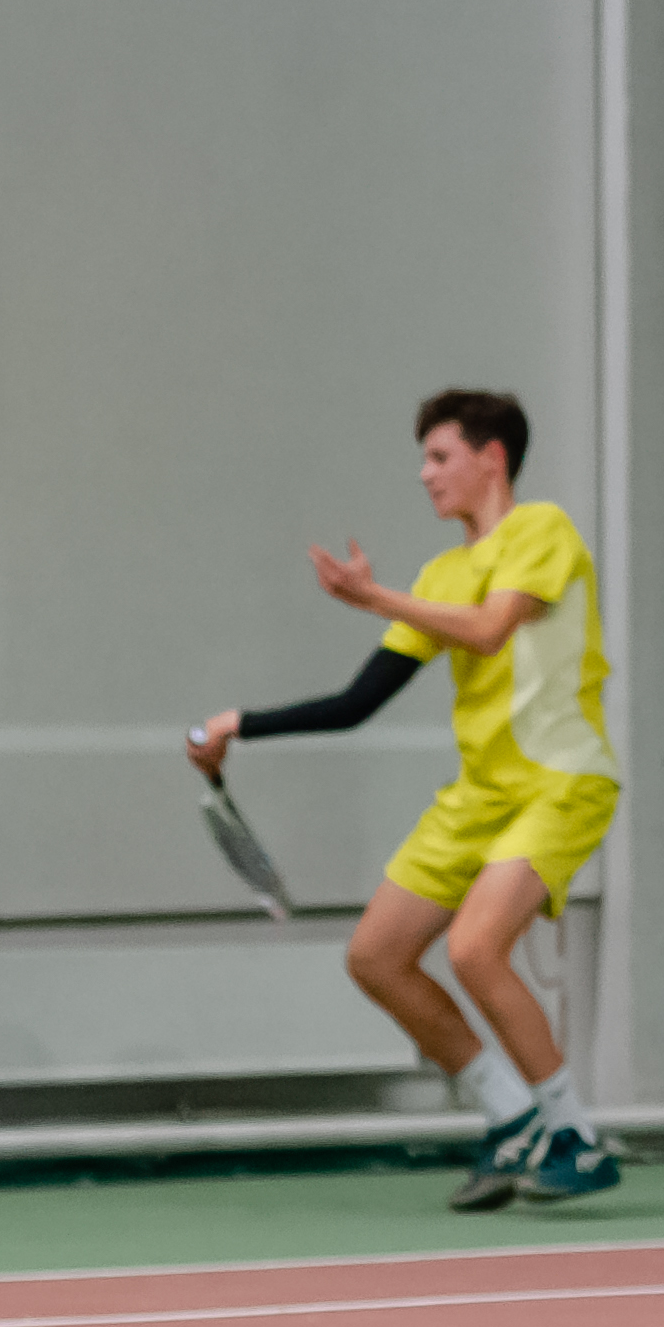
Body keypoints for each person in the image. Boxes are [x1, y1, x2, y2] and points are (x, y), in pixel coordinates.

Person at [190, 389, 623, 1213]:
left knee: (475, 949)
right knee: (376, 956)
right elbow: (356, 703)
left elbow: (490, 629)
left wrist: (373, 597)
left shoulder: (542, 530)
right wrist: (236, 725)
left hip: (560, 781)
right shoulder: (440, 576)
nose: (424, 474)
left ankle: (577, 1137)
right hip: (479, 795)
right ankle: (511, 1115)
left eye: (439, 456)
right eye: (423, 459)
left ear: (491, 457)